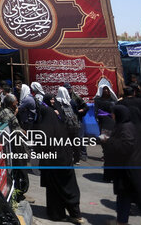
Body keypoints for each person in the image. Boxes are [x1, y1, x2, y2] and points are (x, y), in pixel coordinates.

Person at [101, 105, 141, 225]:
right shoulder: (125, 126)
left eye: (113, 113)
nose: (112, 116)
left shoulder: (125, 127)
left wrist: (108, 141)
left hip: (130, 171)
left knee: (137, 199)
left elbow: (127, 146)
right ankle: (122, 221)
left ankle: (125, 222)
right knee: (128, 198)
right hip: (130, 170)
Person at [35, 93, 82, 222]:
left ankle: (57, 214)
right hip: (65, 161)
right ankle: (75, 214)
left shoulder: (42, 128)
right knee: (69, 187)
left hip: (52, 164)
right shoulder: (61, 126)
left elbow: (40, 147)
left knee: (54, 190)